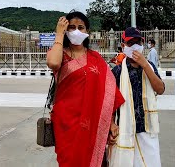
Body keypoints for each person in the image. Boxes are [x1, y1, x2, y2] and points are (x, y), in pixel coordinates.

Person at [46, 11, 125, 167]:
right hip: (66, 124)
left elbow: (109, 94)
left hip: (94, 123)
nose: (76, 31)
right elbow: (54, 63)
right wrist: (59, 35)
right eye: (72, 27)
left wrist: (110, 122)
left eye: (81, 27)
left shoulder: (96, 58)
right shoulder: (60, 54)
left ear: (87, 31)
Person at [108, 27, 165, 167]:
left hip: (147, 128)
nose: (134, 46)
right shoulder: (117, 71)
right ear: (123, 46)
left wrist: (145, 64)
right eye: (130, 43)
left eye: (138, 42)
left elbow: (160, 89)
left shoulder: (150, 66)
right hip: (125, 128)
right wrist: (111, 123)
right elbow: (110, 102)